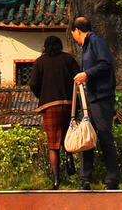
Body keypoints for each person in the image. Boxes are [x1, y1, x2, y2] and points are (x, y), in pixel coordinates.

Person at [69, 15, 120, 190]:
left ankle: (112, 180)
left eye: (73, 33)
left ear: (77, 31)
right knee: (86, 135)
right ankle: (85, 179)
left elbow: (106, 64)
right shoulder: (85, 47)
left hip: (102, 96)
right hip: (89, 97)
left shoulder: (97, 42)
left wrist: (87, 74)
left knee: (105, 136)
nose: (73, 37)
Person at [28, 34, 80, 189]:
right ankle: (70, 157)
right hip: (69, 103)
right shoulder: (68, 59)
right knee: (68, 136)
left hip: (50, 105)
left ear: (45, 47)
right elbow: (78, 78)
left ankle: (57, 179)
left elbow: (33, 83)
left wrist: (42, 94)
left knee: (53, 144)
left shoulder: (40, 62)